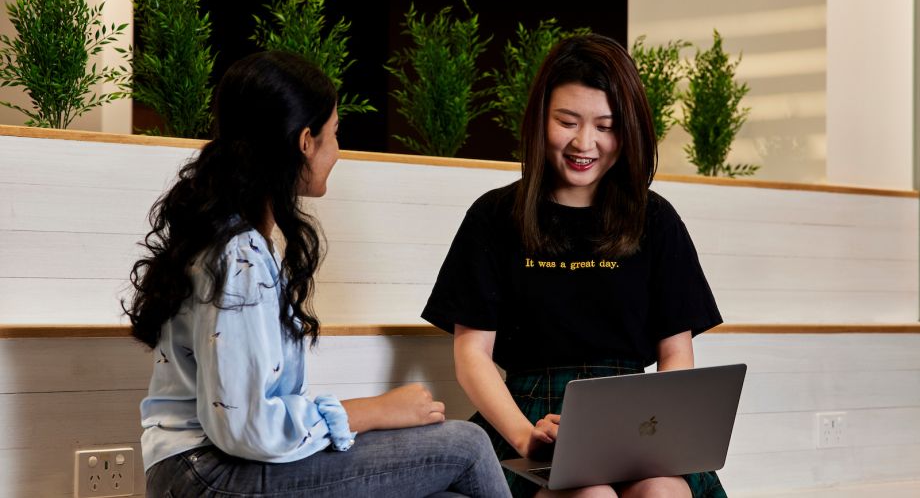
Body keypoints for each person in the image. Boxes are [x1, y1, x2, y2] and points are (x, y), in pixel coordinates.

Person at [125, 50, 512, 498]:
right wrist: (372, 411)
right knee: (467, 444)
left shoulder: (239, 240)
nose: (338, 150)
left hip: (207, 468)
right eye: (335, 134)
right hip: (206, 474)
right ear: (305, 141)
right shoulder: (238, 256)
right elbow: (246, 428)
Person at [422, 34, 726, 498]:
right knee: (591, 494)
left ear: (629, 131)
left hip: (634, 422)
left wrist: (660, 435)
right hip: (527, 416)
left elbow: (677, 355)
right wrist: (526, 435)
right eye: (567, 121)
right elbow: (472, 355)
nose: (585, 142)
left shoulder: (656, 219)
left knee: (663, 490)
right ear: (540, 118)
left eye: (606, 126)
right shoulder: (493, 216)